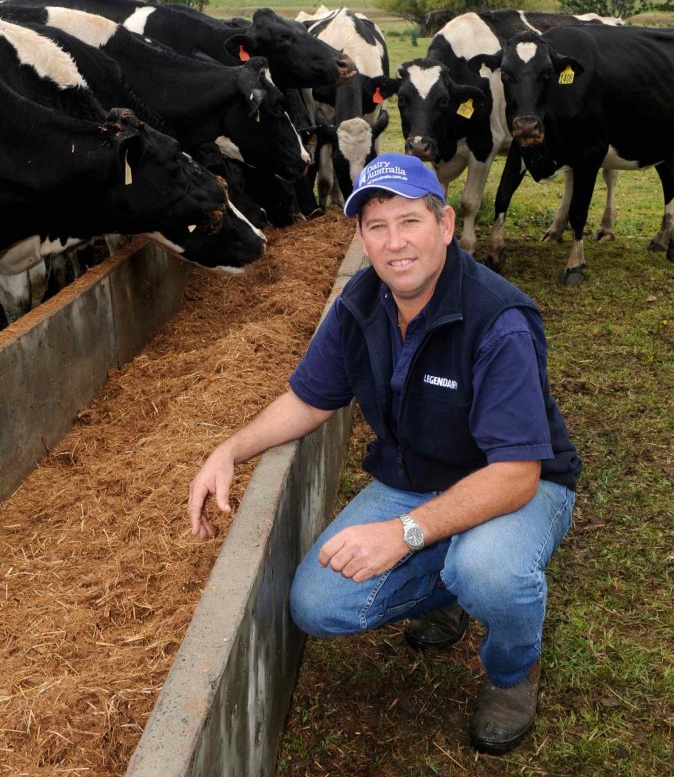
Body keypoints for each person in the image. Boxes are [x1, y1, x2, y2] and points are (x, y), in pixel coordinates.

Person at [188, 152, 581, 755]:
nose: (395, 243)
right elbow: (310, 400)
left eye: (409, 221)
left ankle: (512, 669)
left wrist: (404, 533)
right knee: (316, 605)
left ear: (445, 225)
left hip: (515, 486)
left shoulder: (498, 319)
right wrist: (231, 449)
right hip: (417, 476)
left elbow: (515, 475)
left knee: (491, 573)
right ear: (362, 238)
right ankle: (450, 586)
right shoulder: (359, 303)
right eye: (376, 226)